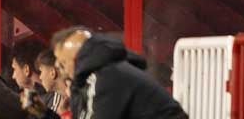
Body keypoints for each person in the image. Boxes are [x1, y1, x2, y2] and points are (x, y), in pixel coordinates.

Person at [51, 26, 187, 118]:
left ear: (78, 58)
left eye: (63, 63)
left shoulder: (107, 76)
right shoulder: (96, 75)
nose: (60, 68)